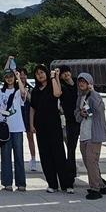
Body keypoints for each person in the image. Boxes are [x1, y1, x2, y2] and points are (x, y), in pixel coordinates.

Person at [29, 64, 69, 193]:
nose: (40, 75)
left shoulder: (52, 86)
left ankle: (66, 184)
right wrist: (31, 124)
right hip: (40, 127)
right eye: (37, 73)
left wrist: (54, 77)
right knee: (45, 155)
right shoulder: (35, 91)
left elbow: (58, 93)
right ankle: (52, 184)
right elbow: (32, 109)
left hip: (54, 125)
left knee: (59, 154)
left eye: (42, 72)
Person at [75, 72, 106, 199]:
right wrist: (81, 114)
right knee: (89, 162)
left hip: (94, 135)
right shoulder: (80, 97)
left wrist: (93, 92)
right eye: (80, 82)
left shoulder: (95, 96)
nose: (81, 84)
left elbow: (100, 109)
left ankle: (95, 188)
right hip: (84, 134)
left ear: (90, 82)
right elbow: (77, 115)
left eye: (84, 81)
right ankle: (101, 185)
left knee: (91, 161)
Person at [0, 68, 29, 191]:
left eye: (11, 76)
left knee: (19, 156)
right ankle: (7, 182)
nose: (9, 79)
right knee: (5, 156)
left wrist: (19, 77)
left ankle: (21, 183)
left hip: (17, 127)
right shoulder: (1, 92)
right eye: (7, 77)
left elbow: (23, 92)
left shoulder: (17, 91)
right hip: (5, 128)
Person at [57, 64, 80, 191]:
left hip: (83, 119)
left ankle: (96, 176)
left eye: (67, 72)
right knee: (71, 150)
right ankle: (69, 178)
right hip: (70, 121)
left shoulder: (78, 82)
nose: (66, 74)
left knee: (88, 150)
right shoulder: (62, 87)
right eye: (63, 73)